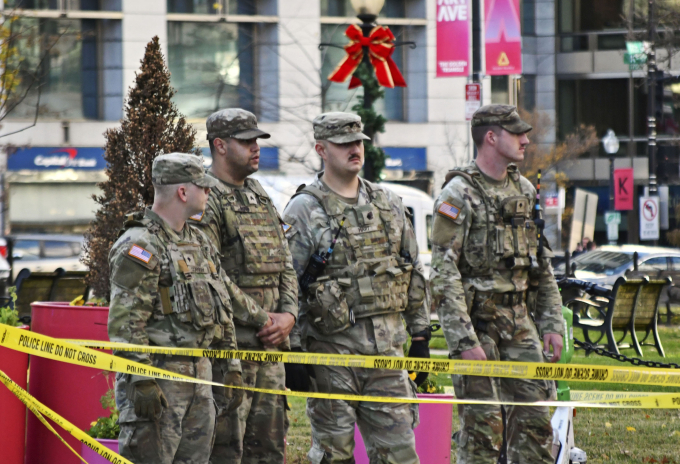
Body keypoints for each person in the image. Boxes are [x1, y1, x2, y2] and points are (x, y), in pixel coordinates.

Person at [282, 112, 430, 464]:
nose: (354, 149)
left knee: (400, 456)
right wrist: (295, 350)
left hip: (387, 360)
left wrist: (421, 335)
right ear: (321, 149)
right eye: (343, 144)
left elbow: (412, 269)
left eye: (358, 142)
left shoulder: (388, 204)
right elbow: (287, 282)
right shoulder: (304, 209)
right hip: (332, 360)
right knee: (334, 457)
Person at [429, 105, 565, 464]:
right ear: (491, 137)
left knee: (536, 425)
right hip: (478, 326)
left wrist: (551, 325)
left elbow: (541, 265)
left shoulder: (523, 189)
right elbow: (443, 274)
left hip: (520, 323)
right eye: (517, 132)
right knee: (482, 434)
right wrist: (463, 341)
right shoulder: (458, 194)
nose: (526, 139)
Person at [109, 152, 264, 463]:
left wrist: (231, 366)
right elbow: (126, 321)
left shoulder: (199, 241)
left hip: (200, 379)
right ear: (183, 192)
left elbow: (221, 305)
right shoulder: (140, 245)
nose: (208, 192)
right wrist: (141, 378)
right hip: (159, 381)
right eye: (203, 187)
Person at [193, 108, 298, 464]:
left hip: (271, 351)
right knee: (227, 450)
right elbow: (210, 274)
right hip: (232, 350)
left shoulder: (259, 193)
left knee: (269, 450)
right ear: (220, 145)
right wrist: (261, 319)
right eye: (246, 141)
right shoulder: (205, 199)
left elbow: (285, 262)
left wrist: (290, 315)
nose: (256, 147)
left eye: (257, 140)